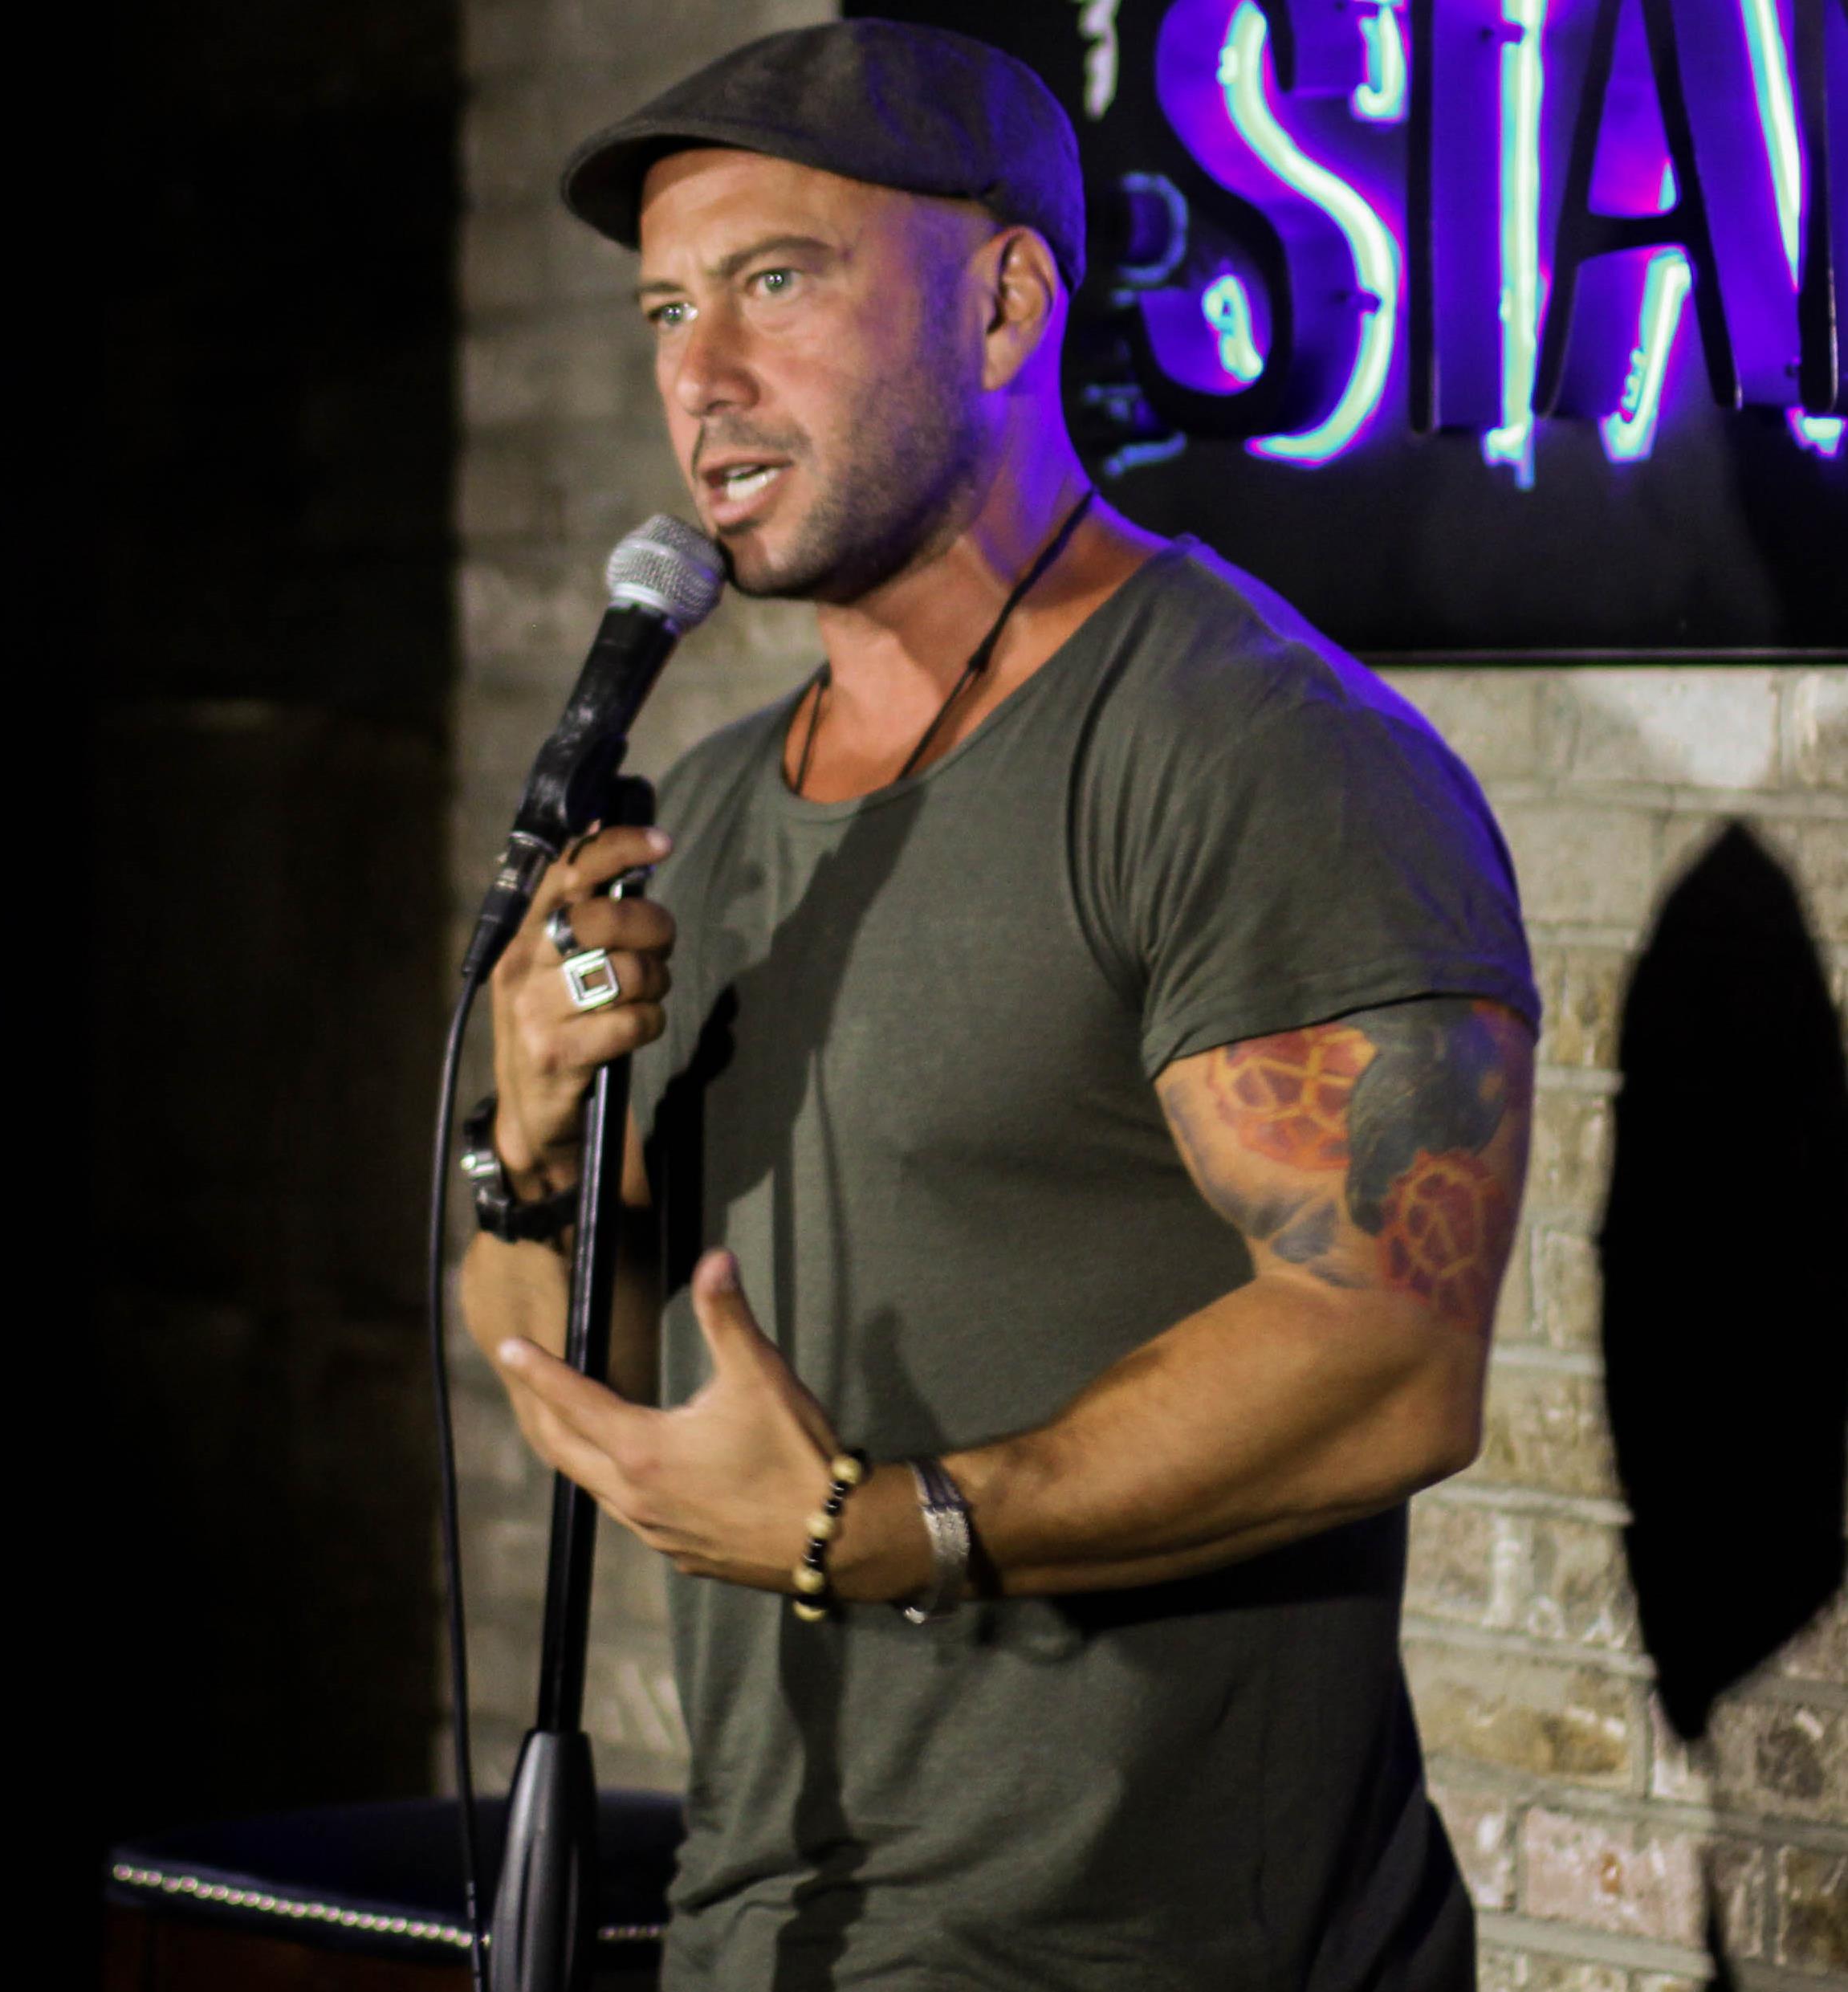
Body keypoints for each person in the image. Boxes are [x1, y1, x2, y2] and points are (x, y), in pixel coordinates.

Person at [459, 21, 1538, 1990]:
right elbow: (576, 1366)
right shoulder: (705, 812)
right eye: (667, 310)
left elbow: (1386, 1352)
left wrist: (892, 1526)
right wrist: (526, 1141)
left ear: (1003, 303)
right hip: (762, 1928)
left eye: (775, 282)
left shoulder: (1246, 749)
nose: (700, 375)